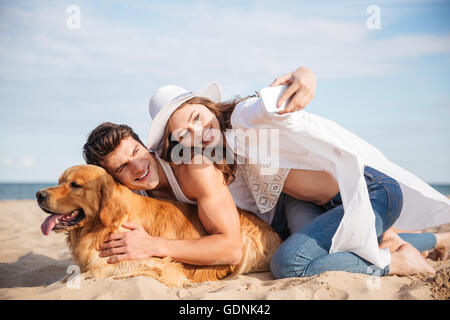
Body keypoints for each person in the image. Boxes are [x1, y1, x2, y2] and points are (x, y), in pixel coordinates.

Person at [143, 67, 450, 278]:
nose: (198, 132)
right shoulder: (213, 155)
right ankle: (433, 241)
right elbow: (150, 167)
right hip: (308, 204)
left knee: (290, 264)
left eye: (197, 117)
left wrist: (304, 75)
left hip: (367, 191)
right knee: (347, 243)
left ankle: (394, 262)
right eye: (184, 134)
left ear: (208, 106)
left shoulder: (242, 117)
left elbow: (268, 104)